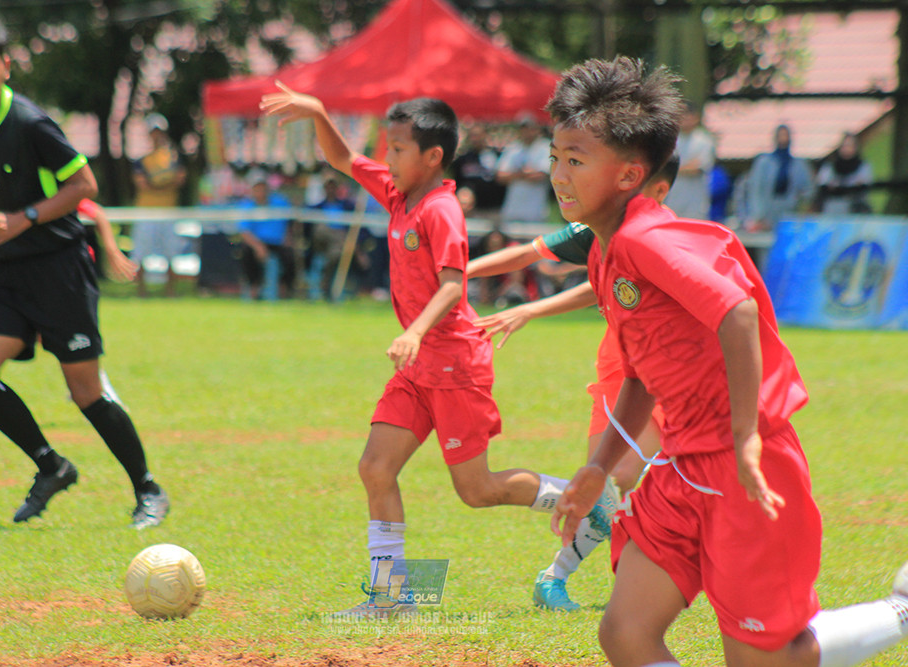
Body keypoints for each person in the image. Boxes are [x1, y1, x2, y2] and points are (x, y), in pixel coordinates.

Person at [547, 56, 908, 667]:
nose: (558, 173)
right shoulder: (607, 253)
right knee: (626, 633)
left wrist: (745, 437)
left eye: (576, 160)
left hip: (745, 469)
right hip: (683, 468)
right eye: (556, 156)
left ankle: (901, 610)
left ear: (632, 175)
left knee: (767, 661)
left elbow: (736, 312)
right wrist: (600, 467)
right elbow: (642, 374)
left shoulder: (643, 238)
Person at [261, 82, 582, 618]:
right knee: (375, 468)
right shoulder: (395, 191)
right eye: (388, 146)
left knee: (476, 491)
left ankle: (580, 496)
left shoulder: (441, 210)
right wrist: (318, 109)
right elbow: (342, 156)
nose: (389, 156)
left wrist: (413, 331)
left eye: (400, 149)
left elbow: (454, 285)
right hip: (417, 369)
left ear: (433, 157)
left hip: (454, 364)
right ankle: (391, 597)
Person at [0, 15, 169, 529]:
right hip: (8, 271)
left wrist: (24, 219)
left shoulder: (30, 123)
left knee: (85, 391)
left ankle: (148, 489)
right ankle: (51, 466)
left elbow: (85, 184)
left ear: (5, 67)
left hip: (60, 268)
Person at [467, 154, 679, 612]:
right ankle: (556, 577)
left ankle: (657, 580)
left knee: (665, 478)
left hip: (672, 367)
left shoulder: (667, 238)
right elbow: (536, 257)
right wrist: (456, 275)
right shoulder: (598, 228)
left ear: (656, 189)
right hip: (621, 366)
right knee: (616, 479)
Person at [131, 113, 187, 297]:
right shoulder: (141, 160)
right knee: (141, 253)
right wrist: (164, 185)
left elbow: (180, 179)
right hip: (146, 212)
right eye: (153, 132)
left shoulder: (173, 157)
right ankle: (141, 291)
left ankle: (170, 292)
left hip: (168, 211)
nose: (156, 136)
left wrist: (157, 185)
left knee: (171, 254)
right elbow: (142, 184)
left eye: (159, 132)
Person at [742, 124, 813, 232]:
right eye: (780, 135)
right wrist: (758, 215)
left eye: (785, 135)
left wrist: (799, 206)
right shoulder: (764, 162)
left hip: (789, 211)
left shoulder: (798, 164)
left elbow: (807, 189)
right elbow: (755, 188)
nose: (783, 138)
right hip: (767, 211)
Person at [234, 176, 296, 301]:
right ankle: (253, 287)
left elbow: (292, 221)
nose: (260, 191)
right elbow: (244, 231)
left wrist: (289, 237)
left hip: (278, 242)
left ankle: (283, 289)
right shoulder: (247, 207)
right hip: (256, 242)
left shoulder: (281, 203)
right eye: (257, 188)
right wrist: (258, 246)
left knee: (290, 256)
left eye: (263, 188)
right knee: (246, 254)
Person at [496, 113, 552, 225]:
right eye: (524, 128)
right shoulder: (513, 149)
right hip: (512, 210)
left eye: (530, 128)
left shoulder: (545, 148)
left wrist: (514, 174)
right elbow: (500, 176)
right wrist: (525, 173)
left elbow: (541, 176)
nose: (527, 132)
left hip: (535, 211)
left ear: (537, 129)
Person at [663, 102, 715, 220]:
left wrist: (675, 168)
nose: (685, 119)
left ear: (696, 117)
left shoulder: (704, 140)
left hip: (695, 201)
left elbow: (697, 168)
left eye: (688, 115)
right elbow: (663, 166)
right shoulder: (670, 140)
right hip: (672, 198)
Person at [451, 124, 506, 220]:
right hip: (470, 210)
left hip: (492, 208)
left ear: (485, 136)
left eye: (478, 135)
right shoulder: (464, 159)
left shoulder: (496, 156)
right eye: (473, 136)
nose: (475, 139)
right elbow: (458, 183)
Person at [814, 132, 873, 215]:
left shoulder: (863, 167)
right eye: (845, 146)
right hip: (832, 208)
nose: (847, 149)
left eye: (850, 146)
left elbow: (863, 187)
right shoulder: (830, 166)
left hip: (855, 210)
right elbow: (822, 186)